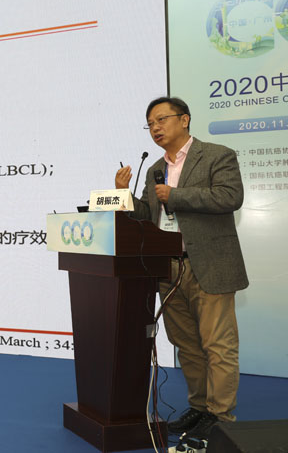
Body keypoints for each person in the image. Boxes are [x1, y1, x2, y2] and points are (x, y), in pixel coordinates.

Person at [115, 96, 248, 440]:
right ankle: (200, 407)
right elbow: (148, 215)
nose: (155, 128)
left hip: (210, 265)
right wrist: (123, 196)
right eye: (150, 124)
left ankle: (220, 416)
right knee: (186, 344)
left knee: (218, 345)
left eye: (161, 120)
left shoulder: (216, 155)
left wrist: (174, 195)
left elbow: (229, 197)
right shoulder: (153, 169)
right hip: (170, 270)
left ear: (184, 119)